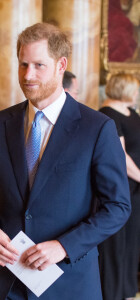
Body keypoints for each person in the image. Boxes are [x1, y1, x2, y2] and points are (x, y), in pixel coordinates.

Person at [0, 22, 131, 300]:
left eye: (38, 65)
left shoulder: (97, 128)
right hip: (7, 281)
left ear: (61, 65)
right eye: (22, 65)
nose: (27, 75)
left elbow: (117, 206)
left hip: (68, 282)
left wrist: (63, 246)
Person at [99, 73, 140, 300]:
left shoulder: (131, 112)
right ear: (124, 89)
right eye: (134, 89)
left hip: (137, 190)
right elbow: (120, 157)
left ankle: (127, 291)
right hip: (124, 188)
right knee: (118, 244)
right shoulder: (108, 115)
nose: (136, 94)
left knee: (132, 243)